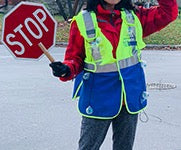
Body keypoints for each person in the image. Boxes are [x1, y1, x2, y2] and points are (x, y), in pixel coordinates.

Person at [49, 0, 178, 149]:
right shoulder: (83, 21)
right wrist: (66, 69)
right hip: (98, 98)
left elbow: (168, 13)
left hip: (128, 97)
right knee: (88, 146)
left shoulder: (135, 17)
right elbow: (75, 58)